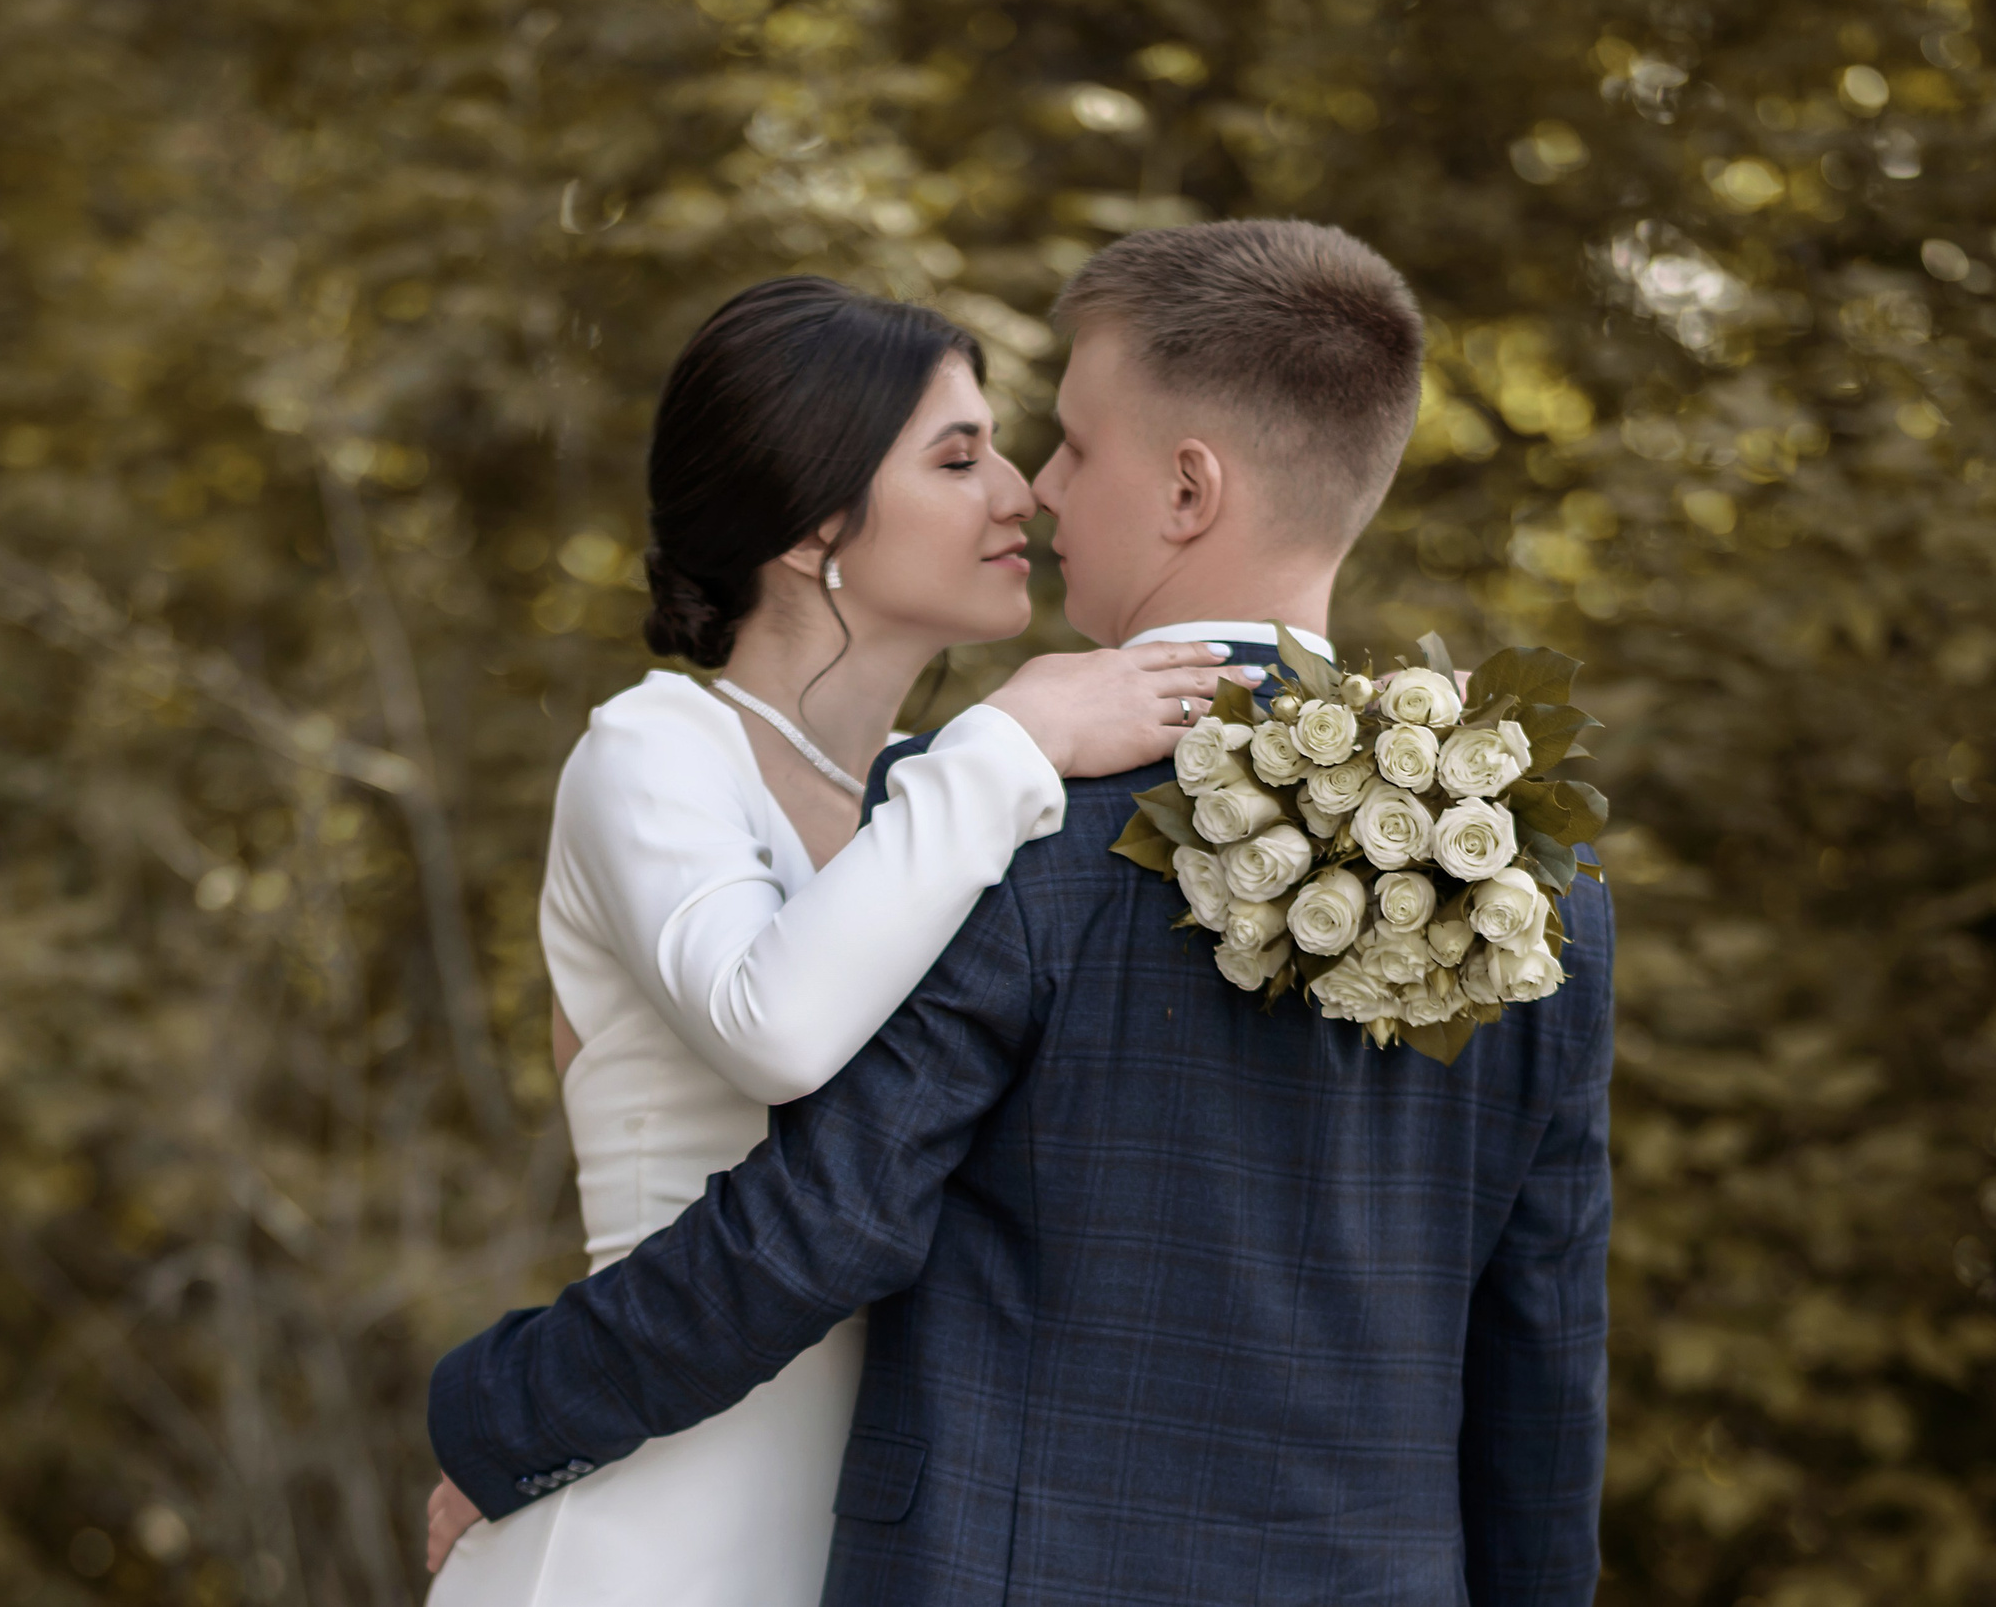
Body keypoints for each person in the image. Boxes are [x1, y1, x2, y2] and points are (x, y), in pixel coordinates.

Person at [427, 221, 1618, 1607]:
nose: (1039, 490)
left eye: (1071, 443)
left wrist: (501, 1416)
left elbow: (824, 1223)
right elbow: (1545, 1348)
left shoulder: (1018, 816)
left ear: (1187, 489)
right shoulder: (1532, 881)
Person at [421, 275, 1251, 1607]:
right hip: (647, 1535)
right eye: (959, 456)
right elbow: (775, 1025)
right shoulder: (656, 748)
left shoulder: (943, 799)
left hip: (888, 1546)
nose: (1022, 492)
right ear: (816, 521)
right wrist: (1019, 732)